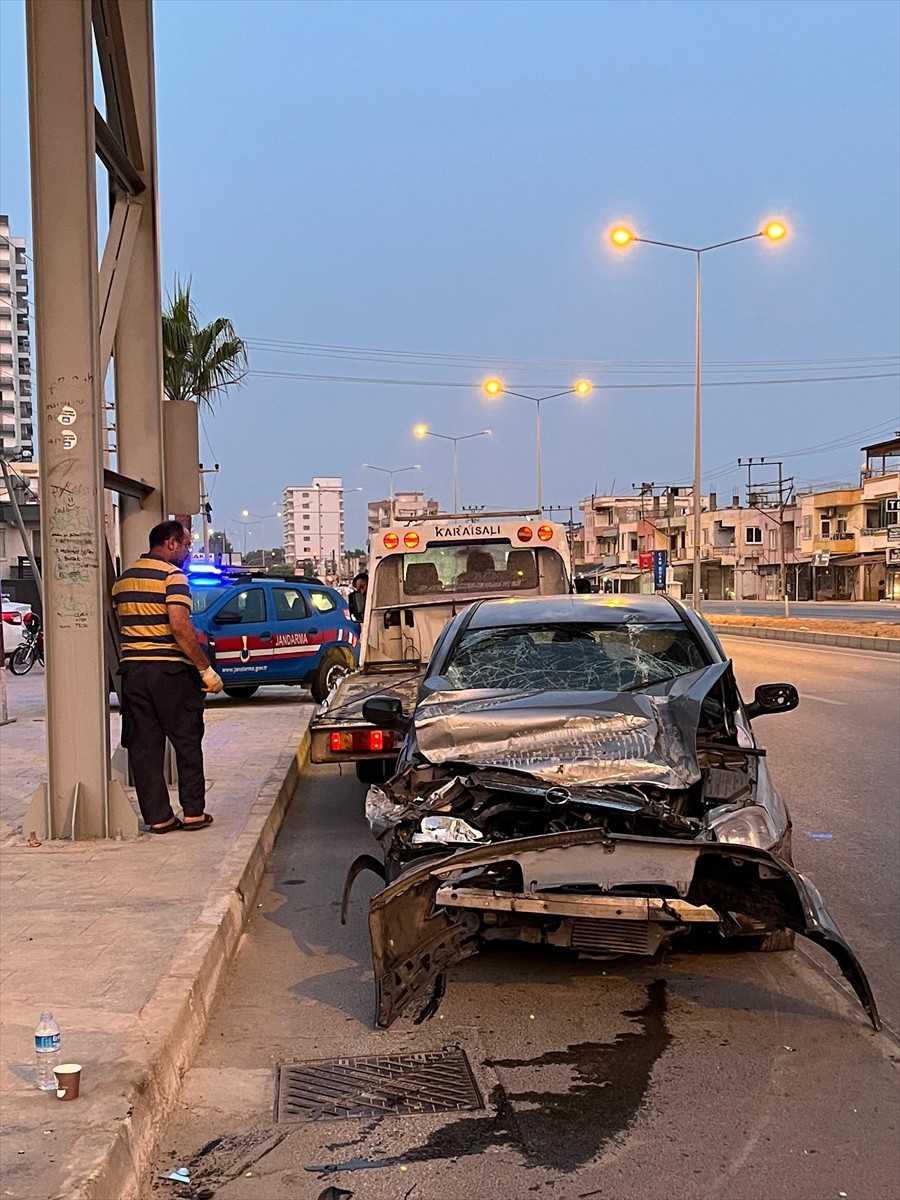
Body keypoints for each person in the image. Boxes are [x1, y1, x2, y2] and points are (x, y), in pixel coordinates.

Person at [112, 520, 223, 833]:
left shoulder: (124, 580)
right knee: (187, 740)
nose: (188, 551)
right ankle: (193, 813)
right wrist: (204, 667)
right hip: (170, 672)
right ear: (171, 543)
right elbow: (180, 626)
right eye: (186, 544)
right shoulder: (173, 576)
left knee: (144, 747)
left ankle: (159, 818)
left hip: (133, 672)